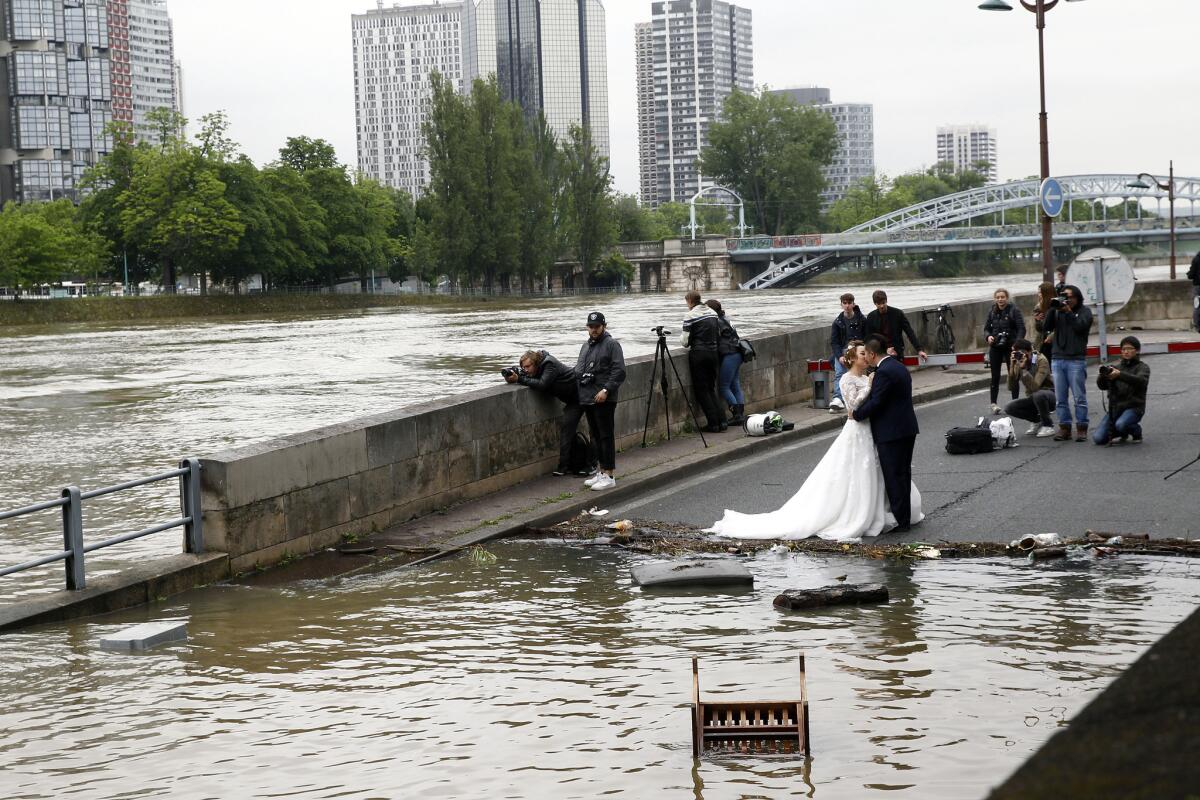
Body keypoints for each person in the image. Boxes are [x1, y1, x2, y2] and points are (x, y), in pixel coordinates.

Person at [707, 340, 923, 541]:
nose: (865, 357)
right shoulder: (854, 378)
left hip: (878, 430)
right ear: (853, 358)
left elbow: (876, 402)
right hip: (864, 429)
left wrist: (867, 391)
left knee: (886, 473)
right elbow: (855, 406)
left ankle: (887, 513)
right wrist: (866, 392)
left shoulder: (875, 374)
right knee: (869, 472)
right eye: (861, 354)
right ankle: (874, 513)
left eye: (866, 353)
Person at [505, 349, 595, 476]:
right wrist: (514, 378)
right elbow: (532, 380)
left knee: (596, 431)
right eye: (523, 367)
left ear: (536, 363)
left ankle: (591, 465)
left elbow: (542, 384)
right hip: (573, 401)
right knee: (566, 430)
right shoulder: (536, 370)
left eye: (527, 366)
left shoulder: (549, 364)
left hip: (585, 394)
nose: (525, 369)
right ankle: (563, 467)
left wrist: (519, 378)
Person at [576, 312, 626, 491]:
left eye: (597, 326)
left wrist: (606, 390)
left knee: (605, 436)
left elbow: (619, 371)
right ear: (587, 327)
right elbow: (579, 370)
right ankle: (601, 471)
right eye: (591, 326)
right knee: (595, 436)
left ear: (604, 326)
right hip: (588, 397)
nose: (594, 329)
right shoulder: (586, 346)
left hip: (604, 397)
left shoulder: (612, 344)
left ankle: (610, 475)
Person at [1044, 284, 1094, 442]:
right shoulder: (1058, 311)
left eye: (1070, 297)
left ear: (1077, 298)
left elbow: (1080, 327)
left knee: (1079, 397)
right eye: (1064, 296)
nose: (1067, 300)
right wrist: (1053, 308)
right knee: (1060, 397)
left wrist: (1069, 312)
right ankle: (1064, 427)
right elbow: (1046, 327)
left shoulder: (1084, 312)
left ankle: (1081, 427)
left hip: (1076, 359)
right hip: (1058, 358)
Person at [1092, 336, 1151, 445]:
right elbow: (1102, 386)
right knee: (1098, 438)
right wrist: (1102, 376)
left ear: (1137, 350)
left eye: (1129, 349)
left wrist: (1120, 375)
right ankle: (1121, 431)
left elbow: (1141, 381)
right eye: (1123, 349)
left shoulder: (1143, 367)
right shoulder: (1116, 367)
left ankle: (1136, 431)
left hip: (1134, 407)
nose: (1126, 352)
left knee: (1121, 424)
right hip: (1116, 408)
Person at [681, 290, 725, 432]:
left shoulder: (690, 315)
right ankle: (722, 421)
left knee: (702, 390)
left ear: (689, 301)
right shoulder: (712, 313)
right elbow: (718, 335)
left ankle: (713, 424)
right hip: (713, 353)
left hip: (699, 354)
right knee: (711, 388)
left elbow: (685, 342)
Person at [983, 288, 1027, 415]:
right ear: (995, 299)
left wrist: (1017, 344)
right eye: (998, 297)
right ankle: (994, 404)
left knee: (1013, 374)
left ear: (1007, 298)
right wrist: (988, 337)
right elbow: (986, 329)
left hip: (1010, 346)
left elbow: (1021, 329)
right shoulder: (992, 311)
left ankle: (1015, 403)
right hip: (996, 346)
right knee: (995, 376)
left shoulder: (1014, 310)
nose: (1000, 299)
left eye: (1002, 297)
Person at [1003, 339, 1056, 438]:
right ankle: (1037, 421)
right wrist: (1012, 365)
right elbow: (1011, 387)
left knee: (1038, 395)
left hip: (1049, 396)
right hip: (1032, 397)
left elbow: (1035, 387)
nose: (1016, 355)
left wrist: (1024, 370)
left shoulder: (1041, 360)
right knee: (1009, 407)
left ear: (1027, 351)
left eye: (1018, 352)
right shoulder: (1020, 361)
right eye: (1014, 352)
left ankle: (1048, 425)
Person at [706, 299, 746, 425]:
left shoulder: (716, 322)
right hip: (738, 353)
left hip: (729, 354)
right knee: (735, 384)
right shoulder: (726, 319)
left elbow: (714, 340)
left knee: (724, 387)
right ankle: (740, 414)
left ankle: (736, 415)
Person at [829, 292, 867, 413]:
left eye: (849, 303)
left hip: (858, 350)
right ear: (841, 305)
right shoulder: (837, 322)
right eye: (844, 303)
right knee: (840, 374)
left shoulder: (861, 319)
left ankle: (857, 398)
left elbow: (867, 336)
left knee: (857, 374)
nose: (847, 306)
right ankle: (837, 399)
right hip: (843, 351)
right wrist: (839, 356)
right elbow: (834, 342)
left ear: (853, 304)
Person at [865, 290, 927, 362]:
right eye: (879, 304)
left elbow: (909, 332)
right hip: (879, 352)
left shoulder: (897, 313)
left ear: (886, 301)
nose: (882, 306)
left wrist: (919, 350)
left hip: (896, 350)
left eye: (883, 303)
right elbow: (869, 337)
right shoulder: (871, 317)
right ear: (875, 304)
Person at [1032, 281, 1057, 362]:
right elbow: (1039, 329)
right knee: (1035, 361)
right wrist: (1037, 320)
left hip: (1054, 341)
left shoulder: (1057, 306)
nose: (1039, 295)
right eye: (1038, 292)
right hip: (1041, 340)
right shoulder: (1038, 307)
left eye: (1041, 292)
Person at [1188, 251, 1200, 332]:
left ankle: (1197, 325)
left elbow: (1191, 275)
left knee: (1197, 306)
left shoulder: (1196, 259)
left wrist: (1189, 273)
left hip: (1198, 285)